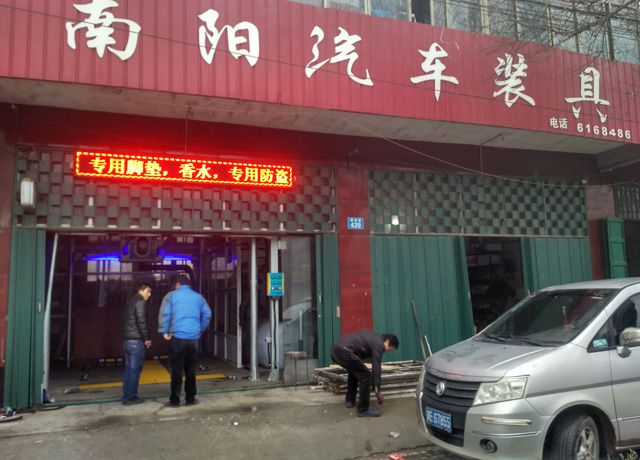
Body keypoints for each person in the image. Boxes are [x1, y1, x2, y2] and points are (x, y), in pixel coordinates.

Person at [162, 275, 211, 407]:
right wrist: (200, 329)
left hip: (177, 337)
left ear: (178, 283)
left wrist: (165, 331)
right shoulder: (198, 297)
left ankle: (174, 400)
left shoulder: (173, 296)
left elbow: (167, 315)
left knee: (176, 370)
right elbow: (207, 313)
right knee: (190, 369)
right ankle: (190, 398)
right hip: (193, 338)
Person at [330, 329, 399, 418]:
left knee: (355, 372)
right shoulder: (379, 344)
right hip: (344, 351)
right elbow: (376, 366)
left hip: (335, 350)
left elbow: (365, 358)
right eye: (390, 348)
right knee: (366, 376)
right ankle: (363, 409)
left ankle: (350, 400)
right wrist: (377, 389)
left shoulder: (372, 338)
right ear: (387, 341)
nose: (387, 351)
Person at [121, 282, 152, 405]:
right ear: (140, 291)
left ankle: (126, 396)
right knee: (135, 370)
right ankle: (131, 397)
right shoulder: (140, 302)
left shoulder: (129, 302)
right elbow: (142, 322)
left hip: (127, 341)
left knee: (129, 370)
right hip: (136, 341)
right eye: (147, 291)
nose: (149, 294)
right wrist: (147, 338)